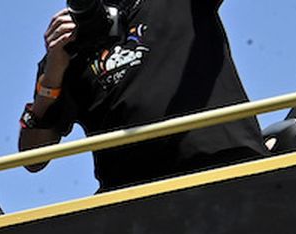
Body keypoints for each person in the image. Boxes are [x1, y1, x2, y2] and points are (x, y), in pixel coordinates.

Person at [19, 2, 266, 192]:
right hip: (137, 203)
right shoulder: (66, 50)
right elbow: (33, 157)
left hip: (227, 168)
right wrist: (53, 75)